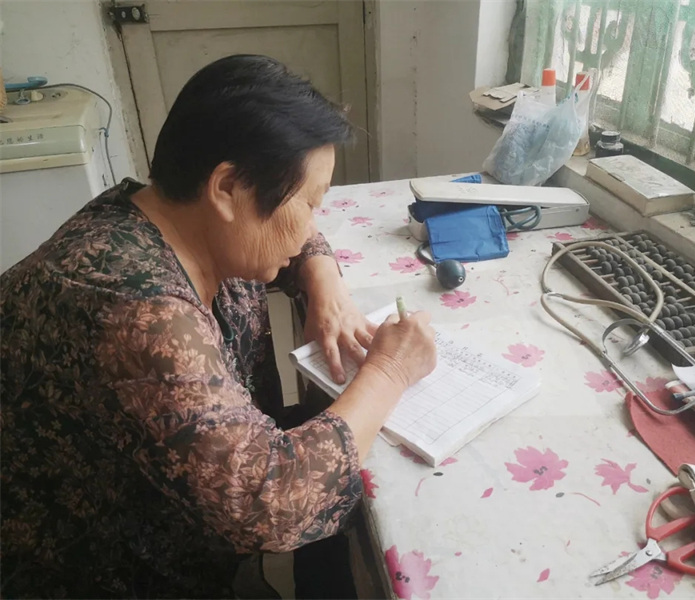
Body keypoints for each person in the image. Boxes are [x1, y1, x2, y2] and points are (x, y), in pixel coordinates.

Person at [0, 55, 437, 599]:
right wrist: (391, 370)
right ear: (227, 186)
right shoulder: (137, 311)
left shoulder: (161, 214)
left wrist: (324, 279)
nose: (311, 224)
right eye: (309, 203)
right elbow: (269, 505)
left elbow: (295, 235)